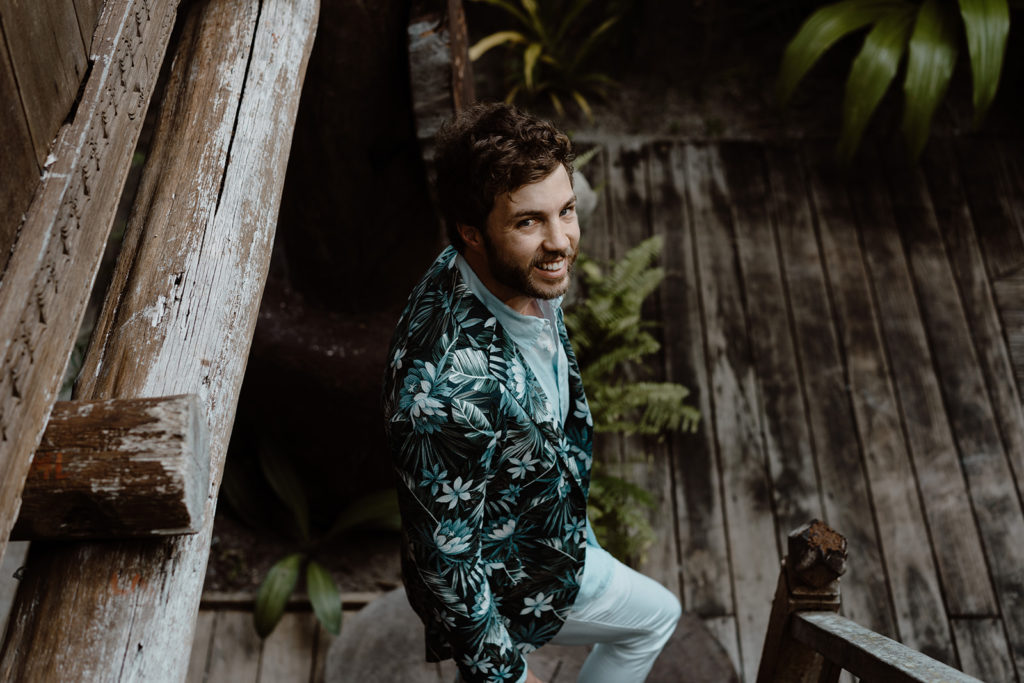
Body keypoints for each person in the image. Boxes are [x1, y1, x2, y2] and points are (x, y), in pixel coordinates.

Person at [383, 102, 680, 683]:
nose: (561, 241)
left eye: (565, 212)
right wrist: (505, 674)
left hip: (544, 522)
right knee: (655, 618)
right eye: (529, 222)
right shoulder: (448, 396)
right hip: (515, 577)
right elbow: (450, 567)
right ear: (472, 232)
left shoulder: (501, 271)